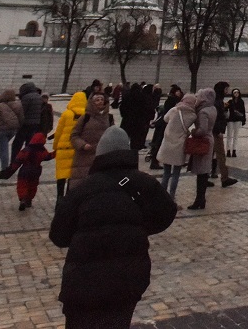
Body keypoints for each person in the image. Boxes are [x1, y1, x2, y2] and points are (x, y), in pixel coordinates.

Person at [49, 126, 177, 329]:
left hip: (84, 283)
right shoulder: (145, 184)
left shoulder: (81, 189)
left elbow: (58, 235)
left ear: (100, 154)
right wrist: (140, 227)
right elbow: (167, 212)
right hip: (128, 280)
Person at [156, 91, 201, 202]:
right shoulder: (193, 115)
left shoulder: (174, 110)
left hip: (168, 143)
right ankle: (171, 196)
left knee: (166, 173)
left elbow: (165, 119)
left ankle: (161, 195)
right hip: (180, 146)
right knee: (176, 174)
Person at [67, 92, 113, 187]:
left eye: (101, 99)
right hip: (84, 158)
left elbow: (113, 134)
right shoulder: (85, 118)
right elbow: (74, 135)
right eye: (97, 100)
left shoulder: (109, 118)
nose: (100, 102)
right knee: (82, 186)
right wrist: (82, 145)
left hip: (102, 157)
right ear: (92, 102)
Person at [186, 88, 219, 208]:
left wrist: (194, 131)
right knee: (204, 171)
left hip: (203, 141)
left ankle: (199, 200)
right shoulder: (213, 108)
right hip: (209, 139)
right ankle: (201, 199)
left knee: (201, 172)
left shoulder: (203, 111)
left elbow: (202, 130)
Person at [52, 91, 88, 197]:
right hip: (77, 149)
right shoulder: (86, 115)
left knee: (61, 175)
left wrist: (55, 146)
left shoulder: (66, 114)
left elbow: (58, 132)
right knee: (72, 176)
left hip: (63, 148)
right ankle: (68, 197)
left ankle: (59, 198)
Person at [12, 132, 53, 211]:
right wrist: (56, 153)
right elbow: (47, 157)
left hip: (24, 170)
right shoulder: (42, 150)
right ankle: (29, 200)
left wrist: (13, 168)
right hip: (36, 171)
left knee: (22, 185)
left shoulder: (26, 149)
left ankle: (22, 199)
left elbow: (18, 159)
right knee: (33, 186)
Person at [147, 85, 183, 170]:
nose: (179, 93)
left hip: (166, 123)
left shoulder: (173, 99)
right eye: (178, 91)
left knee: (161, 142)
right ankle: (155, 161)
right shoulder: (172, 100)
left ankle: (156, 160)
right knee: (160, 142)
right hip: (166, 124)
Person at [209, 81, 235, 186]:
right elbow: (216, 118)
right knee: (220, 155)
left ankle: (205, 176)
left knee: (211, 154)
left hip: (215, 131)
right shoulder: (217, 102)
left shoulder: (218, 100)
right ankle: (224, 178)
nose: (227, 91)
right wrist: (219, 130)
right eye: (226, 89)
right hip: (216, 132)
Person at [119, 84, 151, 151]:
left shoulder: (127, 96)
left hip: (127, 121)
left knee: (125, 138)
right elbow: (147, 109)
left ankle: (124, 152)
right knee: (135, 141)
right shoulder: (143, 97)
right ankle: (134, 155)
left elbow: (122, 107)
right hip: (139, 122)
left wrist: (124, 115)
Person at [18, 82, 45, 146]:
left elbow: (22, 111)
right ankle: (27, 154)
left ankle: (16, 155)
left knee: (18, 141)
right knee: (29, 140)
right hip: (35, 123)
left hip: (25, 123)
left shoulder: (26, 97)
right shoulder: (39, 97)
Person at [225, 88, 246, 157]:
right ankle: (228, 150)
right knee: (229, 135)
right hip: (230, 120)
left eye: (237, 93)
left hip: (238, 120)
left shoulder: (241, 101)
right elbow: (226, 109)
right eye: (235, 93)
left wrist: (243, 120)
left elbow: (243, 111)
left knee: (236, 136)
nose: (236, 94)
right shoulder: (230, 101)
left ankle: (234, 150)